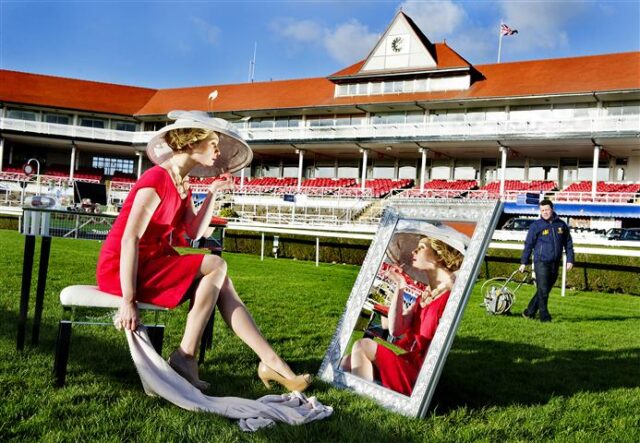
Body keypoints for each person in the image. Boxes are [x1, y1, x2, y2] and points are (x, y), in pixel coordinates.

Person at [97, 111, 310, 392]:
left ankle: (269, 361)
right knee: (215, 266)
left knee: (221, 281)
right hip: (125, 267)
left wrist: (212, 193)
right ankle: (186, 357)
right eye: (213, 144)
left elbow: (195, 233)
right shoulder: (156, 179)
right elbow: (129, 239)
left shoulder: (182, 183)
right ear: (190, 143)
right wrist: (128, 299)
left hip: (153, 262)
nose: (218, 152)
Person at [340, 233, 465, 396]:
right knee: (347, 361)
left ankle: (363, 400)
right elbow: (395, 330)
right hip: (409, 362)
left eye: (421, 248)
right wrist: (400, 286)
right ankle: (353, 397)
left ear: (439, 256)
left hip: (421, 375)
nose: (413, 252)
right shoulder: (425, 295)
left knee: (363, 345)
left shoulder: (451, 297)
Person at [519, 199, 574, 322]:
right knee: (543, 290)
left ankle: (529, 312)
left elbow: (568, 243)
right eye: (542, 210)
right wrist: (524, 262)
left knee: (544, 290)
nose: (545, 212)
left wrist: (570, 259)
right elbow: (528, 244)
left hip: (555, 263)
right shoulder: (536, 226)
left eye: (547, 210)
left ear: (552, 209)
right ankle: (544, 317)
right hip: (541, 262)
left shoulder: (561, 225)